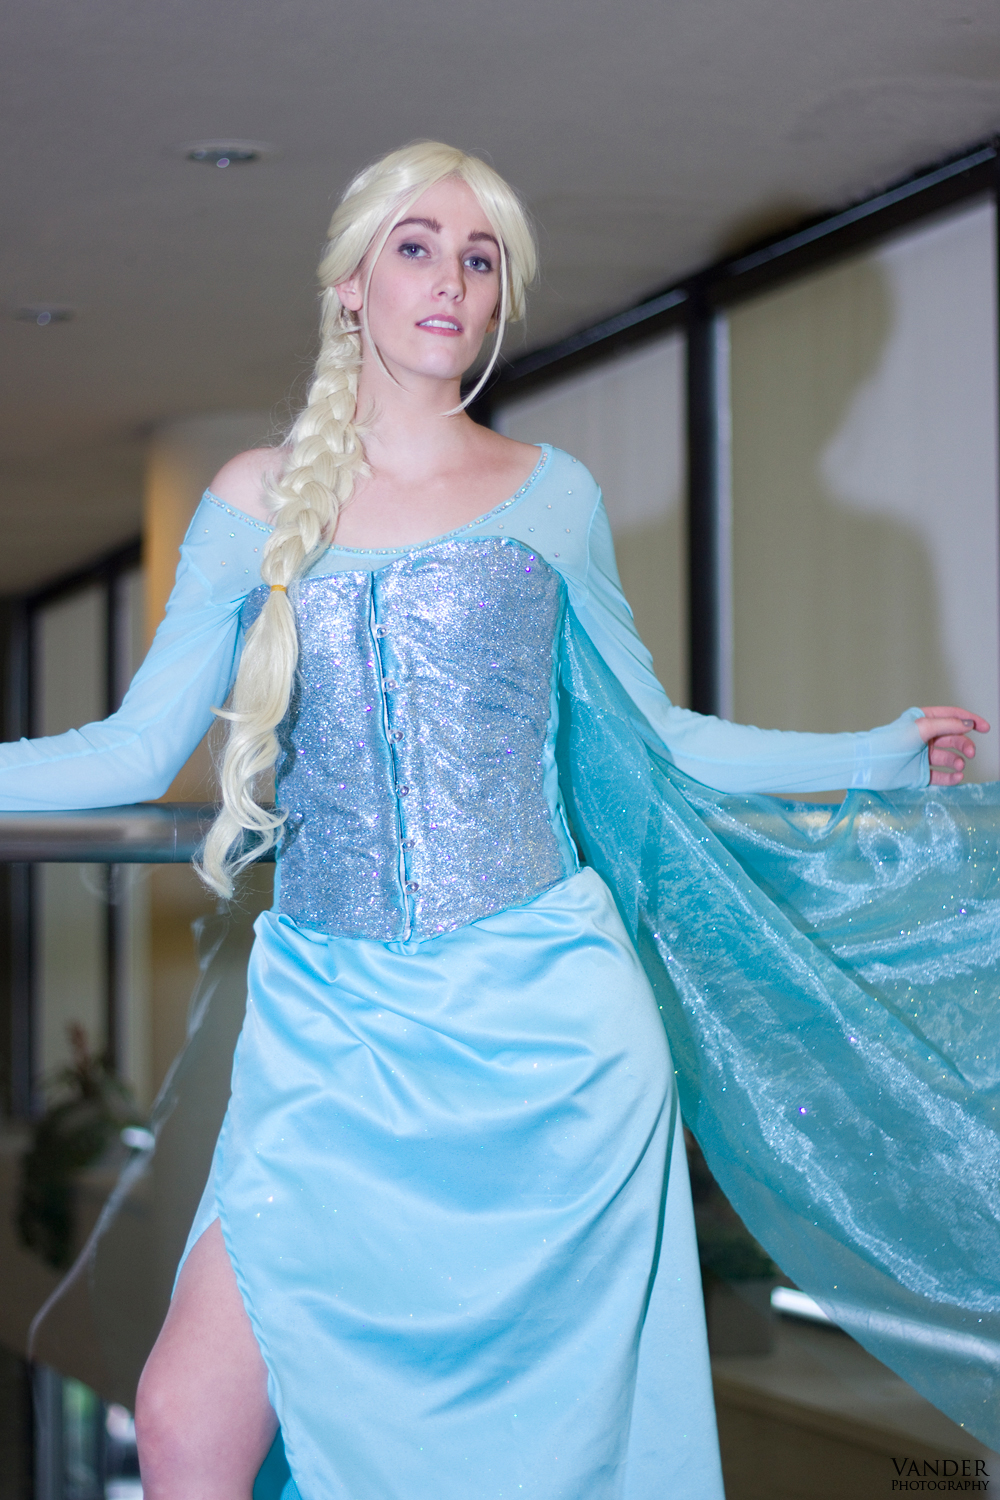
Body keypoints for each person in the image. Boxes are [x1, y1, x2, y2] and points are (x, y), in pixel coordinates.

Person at [1, 142, 993, 1499]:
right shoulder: (251, 496)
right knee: (181, 1425)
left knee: (538, 1459)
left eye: (480, 259)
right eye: (416, 247)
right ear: (350, 286)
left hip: (548, 1034)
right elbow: (132, 748)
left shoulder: (553, 493)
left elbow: (656, 738)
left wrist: (873, 754)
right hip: (329, 1030)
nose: (450, 281)